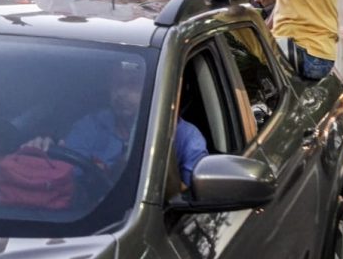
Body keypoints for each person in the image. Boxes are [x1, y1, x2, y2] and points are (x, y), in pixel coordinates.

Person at [26, 61, 207, 188]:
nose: (121, 93)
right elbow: (68, 176)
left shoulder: (185, 136)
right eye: (116, 85)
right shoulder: (91, 125)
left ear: (155, 89)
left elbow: (194, 192)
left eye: (132, 86)